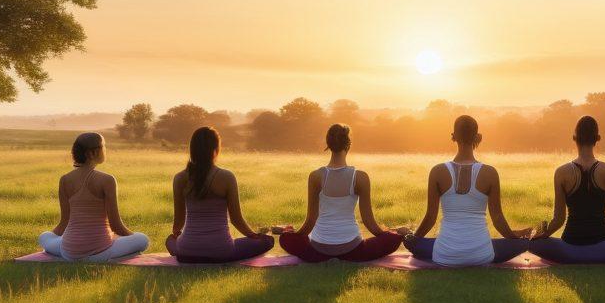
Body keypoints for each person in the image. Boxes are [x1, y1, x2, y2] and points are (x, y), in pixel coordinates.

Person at [402, 115, 534, 266]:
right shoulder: (489, 172)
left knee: (410, 240)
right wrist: (514, 237)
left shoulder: (437, 171)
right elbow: (497, 218)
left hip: (444, 255)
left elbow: (430, 218)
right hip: (481, 255)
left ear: (453, 137)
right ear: (478, 137)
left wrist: (414, 239)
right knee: (524, 243)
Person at [528, 116, 605, 264]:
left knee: (531, 243)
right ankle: (603, 255)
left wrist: (542, 234)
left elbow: (558, 220)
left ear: (574, 138)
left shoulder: (561, 172)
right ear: (598, 138)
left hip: (569, 247)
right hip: (604, 247)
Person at [279, 124, 406, 262]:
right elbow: (369, 222)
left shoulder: (316, 176)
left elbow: (311, 220)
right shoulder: (360, 177)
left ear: (329, 145)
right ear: (348, 145)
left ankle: (301, 242)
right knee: (393, 239)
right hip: (353, 249)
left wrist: (294, 236)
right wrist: (389, 234)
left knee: (285, 239)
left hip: (318, 249)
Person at [165, 127, 277, 263]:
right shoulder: (227, 177)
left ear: (192, 150)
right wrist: (254, 236)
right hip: (221, 250)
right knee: (268, 241)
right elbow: (236, 219)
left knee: (170, 240)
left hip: (186, 251)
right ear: (216, 149)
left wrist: (182, 238)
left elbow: (177, 225)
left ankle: (187, 248)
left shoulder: (179, 178)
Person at [38, 132, 150, 262]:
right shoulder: (107, 180)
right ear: (92, 153)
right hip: (100, 253)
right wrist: (132, 237)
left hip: (69, 253)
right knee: (143, 239)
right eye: (103, 146)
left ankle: (64, 245)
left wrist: (58, 240)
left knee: (44, 236)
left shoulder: (65, 179)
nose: (105, 150)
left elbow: (63, 223)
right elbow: (116, 226)